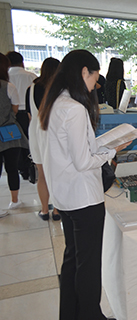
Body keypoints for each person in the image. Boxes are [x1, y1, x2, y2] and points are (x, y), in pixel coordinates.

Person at [37, 49, 131, 320]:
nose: (96, 84)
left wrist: (102, 145)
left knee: (72, 260)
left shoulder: (56, 102)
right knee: (88, 265)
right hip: (83, 198)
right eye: (94, 77)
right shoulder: (76, 109)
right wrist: (112, 150)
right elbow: (84, 161)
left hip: (65, 196)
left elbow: (74, 150)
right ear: (84, 72)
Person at [25, 57, 61, 221]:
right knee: (57, 173)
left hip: (36, 131)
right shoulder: (60, 89)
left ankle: (45, 210)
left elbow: (29, 114)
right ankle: (58, 210)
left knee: (42, 175)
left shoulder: (31, 88)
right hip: (54, 132)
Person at [0, 53, 28, 217]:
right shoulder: (8, 86)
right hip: (9, 131)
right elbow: (15, 109)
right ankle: (14, 200)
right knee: (12, 167)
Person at [6, 51, 37, 179]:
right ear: (22, 62)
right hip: (28, 114)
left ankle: (20, 168)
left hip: (12, 115)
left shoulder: (6, 77)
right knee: (29, 141)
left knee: (14, 143)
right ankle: (30, 168)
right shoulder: (31, 76)